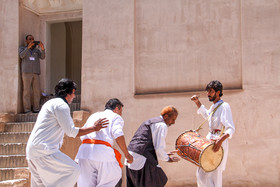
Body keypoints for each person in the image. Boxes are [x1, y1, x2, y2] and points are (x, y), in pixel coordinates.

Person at [26, 78, 109, 187]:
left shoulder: (50, 103)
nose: (74, 97)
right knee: (74, 170)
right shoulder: (61, 105)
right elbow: (71, 132)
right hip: (44, 151)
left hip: (32, 152)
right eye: (73, 93)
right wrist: (94, 128)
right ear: (67, 93)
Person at [75, 98, 133, 187]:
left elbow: (82, 132)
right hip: (102, 153)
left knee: (85, 184)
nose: (121, 114)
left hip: (84, 152)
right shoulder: (115, 116)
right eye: (121, 111)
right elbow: (118, 134)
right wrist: (127, 154)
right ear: (117, 108)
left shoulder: (93, 116)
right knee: (112, 178)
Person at [190, 80, 235, 187]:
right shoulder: (214, 106)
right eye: (207, 91)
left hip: (218, 141)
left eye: (210, 91)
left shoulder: (224, 106)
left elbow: (231, 128)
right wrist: (197, 102)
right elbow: (208, 116)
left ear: (218, 92)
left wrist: (220, 141)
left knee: (214, 175)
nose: (208, 94)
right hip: (210, 140)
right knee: (201, 174)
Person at [126, 106, 180, 187]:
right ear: (165, 116)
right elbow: (159, 148)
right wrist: (167, 159)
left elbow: (149, 144)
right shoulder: (162, 125)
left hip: (131, 156)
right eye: (173, 119)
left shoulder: (150, 121)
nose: (173, 122)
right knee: (160, 179)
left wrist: (165, 154)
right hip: (141, 158)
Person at [19, 34, 45, 113]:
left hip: (35, 72)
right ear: (26, 41)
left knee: (36, 91)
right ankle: (27, 109)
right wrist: (28, 48)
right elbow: (21, 55)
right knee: (26, 91)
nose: (32, 40)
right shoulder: (22, 48)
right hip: (26, 72)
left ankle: (36, 108)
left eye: (33, 39)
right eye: (30, 39)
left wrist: (42, 49)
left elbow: (43, 57)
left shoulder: (36, 50)